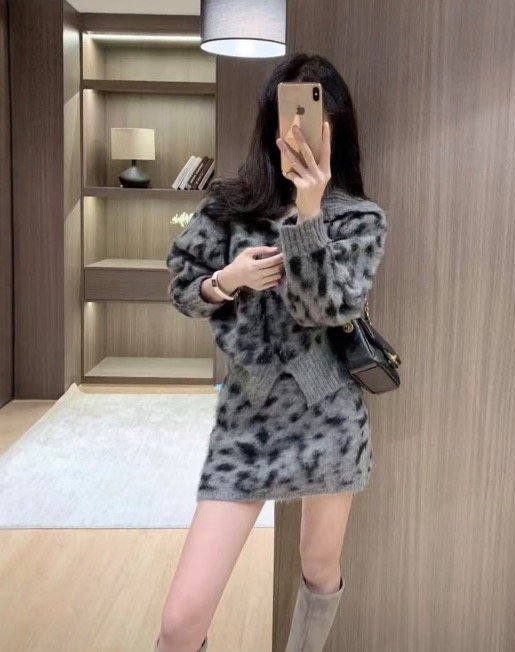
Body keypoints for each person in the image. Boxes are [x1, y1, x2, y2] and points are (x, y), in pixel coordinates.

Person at [155, 53, 389, 652]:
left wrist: (309, 214)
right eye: (288, 116)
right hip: (246, 421)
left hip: (328, 420)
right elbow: (182, 288)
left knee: (318, 569)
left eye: (313, 117)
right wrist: (225, 281)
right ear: (270, 122)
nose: (299, 132)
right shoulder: (228, 204)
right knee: (180, 622)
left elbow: (321, 311)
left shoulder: (359, 220)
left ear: (335, 127)